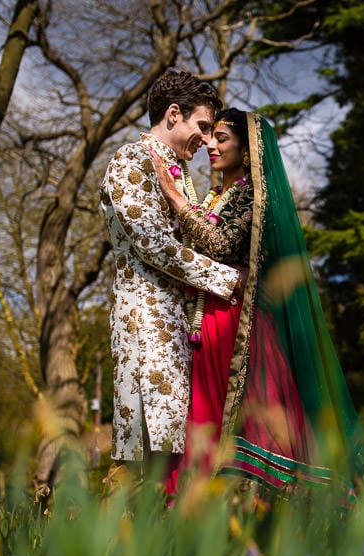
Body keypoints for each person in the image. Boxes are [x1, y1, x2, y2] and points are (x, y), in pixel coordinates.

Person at [149, 108, 364, 498]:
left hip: (236, 323)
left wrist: (173, 196)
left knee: (241, 425)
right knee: (201, 424)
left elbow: (219, 245)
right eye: (210, 137)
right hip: (206, 319)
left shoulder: (252, 194)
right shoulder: (218, 195)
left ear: (247, 150)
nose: (211, 146)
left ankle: (262, 516)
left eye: (222, 138)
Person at [99, 69, 243, 492]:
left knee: (168, 467)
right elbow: (153, 245)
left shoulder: (179, 174)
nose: (206, 139)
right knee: (135, 464)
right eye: (201, 127)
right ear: (173, 114)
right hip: (144, 328)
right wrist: (226, 278)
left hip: (179, 331)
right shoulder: (131, 160)